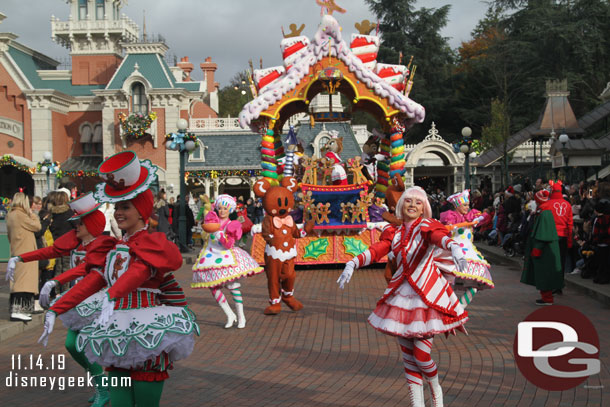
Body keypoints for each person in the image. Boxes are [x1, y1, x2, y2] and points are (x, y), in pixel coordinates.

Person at [38, 151, 199, 407]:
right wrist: (56, 308)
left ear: (142, 210)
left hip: (145, 329)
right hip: (115, 331)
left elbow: (139, 273)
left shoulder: (150, 244)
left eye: (126, 207)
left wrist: (112, 296)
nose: (118, 213)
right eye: (117, 207)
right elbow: (94, 279)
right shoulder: (111, 246)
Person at [337, 186, 469, 406]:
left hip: (426, 299)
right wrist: (353, 262)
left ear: (423, 207)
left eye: (418, 202)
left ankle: (435, 388)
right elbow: (379, 249)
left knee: (422, 357)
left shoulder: (426, 226)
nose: (412, 205)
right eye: (408, 201)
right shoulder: (394, 232)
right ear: (401, 205)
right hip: (400, 299)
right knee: (408, 359)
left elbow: (437, 236)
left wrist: (453, 246)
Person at [11, 192, 115, 406]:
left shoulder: (104, 245)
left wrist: (55, 281)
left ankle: (106, 388)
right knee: (72, 345)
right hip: (79, 300)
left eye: (80, 222)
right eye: (75, 222)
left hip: (98, 302)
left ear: (92, 224)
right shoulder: (77, 242)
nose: (75, 226)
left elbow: (91, 273)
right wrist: (20, 258)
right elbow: (51, 250)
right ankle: (102, 386)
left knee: (84, 346)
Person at [192, 194, 263, 328]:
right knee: (213, 287)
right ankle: (229, 314)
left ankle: (241, 316)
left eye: (225, 208)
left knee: (232, 287)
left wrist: (220, 235)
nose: (222, 211)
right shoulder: (212, 222)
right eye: (220, 208)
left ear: (230, 209)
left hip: (227, 258)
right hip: (212, 257)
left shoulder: (232, 224)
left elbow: (229, 244)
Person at [439, 190, 494, 306]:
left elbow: (485, 216)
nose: (467, 207)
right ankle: (449, 308)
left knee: (476, 281)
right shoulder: (450, 216)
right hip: (452, 253)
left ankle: (460, 307)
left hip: (470, 253)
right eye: (464, 205)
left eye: (468, 205)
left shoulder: (471, 215)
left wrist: (478, 219)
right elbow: (446, 228)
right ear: (456, 205)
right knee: (448, 284)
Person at [521, 189, 563, 305]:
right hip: (543, 250)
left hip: (544, 251)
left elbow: (544, 233)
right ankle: (545, 297)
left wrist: (537, 248)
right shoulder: (543, 211)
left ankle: (547, 298)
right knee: (542, 273)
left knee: (544, 274)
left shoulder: (545, 213)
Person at [5, 192, 41, 321]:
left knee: (21, 281)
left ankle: (22, 309)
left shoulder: (10, 215)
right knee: (23, 283)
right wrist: (32, 214)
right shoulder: (20, 215)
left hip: (18, 249)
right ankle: (18, 310)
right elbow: (37, 226)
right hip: (25, 252)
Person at [48, 190, 76, 292]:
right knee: (66, 269)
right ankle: (64, 291)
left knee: (57, 269)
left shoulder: (51, 213)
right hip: (68, 244)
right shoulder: (69, 213)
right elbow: (76, 225)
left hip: (55, 244)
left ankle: (56, 291)